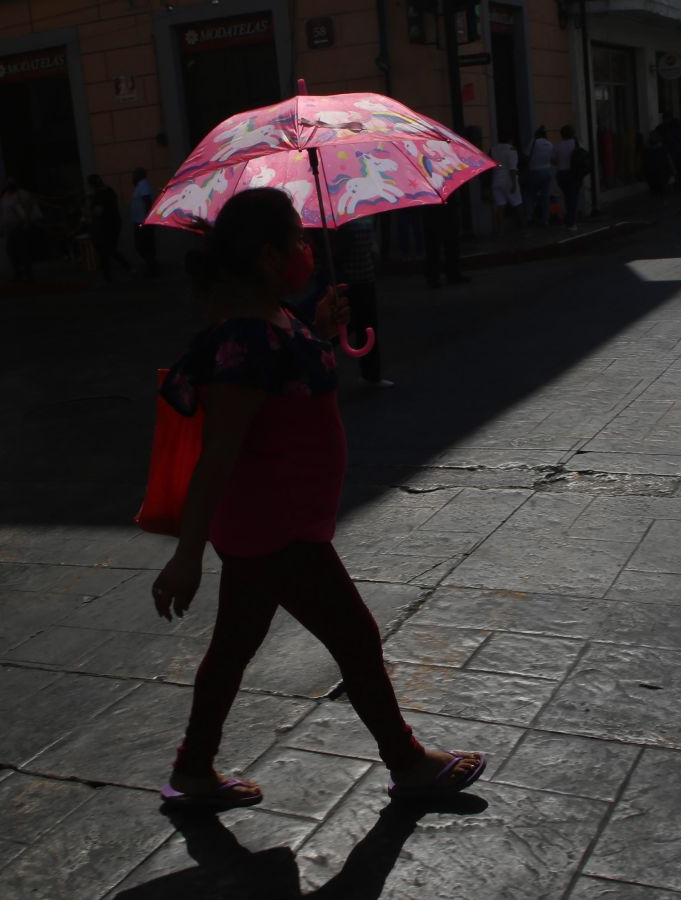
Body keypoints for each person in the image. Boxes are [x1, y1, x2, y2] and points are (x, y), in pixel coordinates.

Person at [152, 188, 485, 810]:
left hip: (278, 523)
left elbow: (293, 384)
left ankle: (193, 769)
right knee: (355, 636)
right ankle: (407, 762)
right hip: (274, 527)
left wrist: (322, 331)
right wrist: (186, 555)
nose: (310, 249)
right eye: (301, 240)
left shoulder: (275, 320)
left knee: (233, 646)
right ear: (273, 255)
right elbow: (218, 456)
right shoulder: (242, 344)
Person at [334, 217, 392, 388]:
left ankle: (371, 374)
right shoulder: (349, 224)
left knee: (363, 326)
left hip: (363, 281)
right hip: (354, 283)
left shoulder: (357, 221)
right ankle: (370, 374)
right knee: (360, 325)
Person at [85, 173, 131, 281]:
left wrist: (88, 212)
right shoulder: (109, 191)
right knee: (110, 249)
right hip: (114, 224)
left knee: (105, 251)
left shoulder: (99, 195)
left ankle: (111, 275)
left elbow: (98, 212)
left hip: (104, 227)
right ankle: (127, 268)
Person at [422, 202, 467, 287]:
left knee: (451, 243)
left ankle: (452, 274)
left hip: (445, 208)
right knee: (434, 246)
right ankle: (434, 277)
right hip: (433, 209)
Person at [0, 177, 36, 281]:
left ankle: (28, 273)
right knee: (11, 251)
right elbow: (4, 213)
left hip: (18, 225)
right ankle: (18, 272)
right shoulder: (5, 196)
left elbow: (27, 208)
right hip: (9, 226)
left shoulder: (21, 194)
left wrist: (26, 222)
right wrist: (2, 226)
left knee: (22, 250)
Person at [489, 135, 524, 234]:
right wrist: (514, 183)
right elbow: (512, 168)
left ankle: (500, 231)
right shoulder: (511, 149)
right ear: (510, 140)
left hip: (496, 180)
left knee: (500, 206)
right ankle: (524, 229)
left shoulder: (493, 149)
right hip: (508, 180)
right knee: (518, 204)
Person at [521, 126, 554, 227]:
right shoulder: (549, 144)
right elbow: (552, 158)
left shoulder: (533, 142)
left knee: (529, 195)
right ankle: (545, 219)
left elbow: (525, 155)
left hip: (534, 171)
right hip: (547, 171)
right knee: (545, 196)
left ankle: (529, 217)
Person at [554, 124, 585, 231]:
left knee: (568, 197)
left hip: (561, 174)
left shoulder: (558, 145)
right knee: (573, 198)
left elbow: (554, 160)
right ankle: (571, 222)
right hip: (573, 174)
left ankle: (569, 220)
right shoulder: (577, 143)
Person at [131, 167, 158, 275]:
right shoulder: (141, 185)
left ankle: (152, 268)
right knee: (145, 245)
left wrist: (147, 220)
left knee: (143, 245)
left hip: (143, 223)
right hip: (141, 222)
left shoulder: (142, 184)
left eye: (134, 175)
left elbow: (147, 201)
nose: (132, 178)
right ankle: (152, 267)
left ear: (138, 176)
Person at [641, 131, 673, 202]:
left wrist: (671, 168)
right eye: (652, 136)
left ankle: (661, 200)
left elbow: (668, 158)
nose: (653, 138)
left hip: (661, 170)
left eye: (655, 137)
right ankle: (658, 201)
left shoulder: (662, 147)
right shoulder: (647, 148)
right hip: (651, 170)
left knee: (661, 186)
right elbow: (643, 159)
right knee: (654, 187)